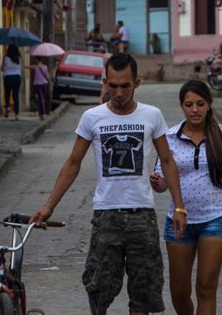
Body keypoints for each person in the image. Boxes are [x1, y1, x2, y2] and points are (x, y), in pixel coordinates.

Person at [30, 53, 187, 315]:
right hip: (106, 216)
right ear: (105, 82)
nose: (118, 92)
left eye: (125, 85)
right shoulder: (92, 117)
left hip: (142, 216)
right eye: (113, 85)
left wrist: (179, 207)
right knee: (98, 289)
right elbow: (73, 163)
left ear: (136, 83)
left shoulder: (152, 116)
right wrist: (49, 206)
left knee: (143, 292)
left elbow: (168, 161)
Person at [150, 79, 222, 315]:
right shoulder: (169, 137)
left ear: (208, 105)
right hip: (178, 222)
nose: (194, 110)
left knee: (206, 289)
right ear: (181, 106)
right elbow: (163, 180)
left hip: (215, 219)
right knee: (179, 292)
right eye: (189, 104)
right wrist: (158, 183)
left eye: (199, 103)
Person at [1, 44, 22, 121]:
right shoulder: (18, 58)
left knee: (7, 94)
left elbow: (2, 68)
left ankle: (8, 108)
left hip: (8, 77)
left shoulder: (5, 58)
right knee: (15, 95)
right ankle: (16, 115)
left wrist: (6, 69)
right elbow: (21, 67)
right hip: (17, 77)